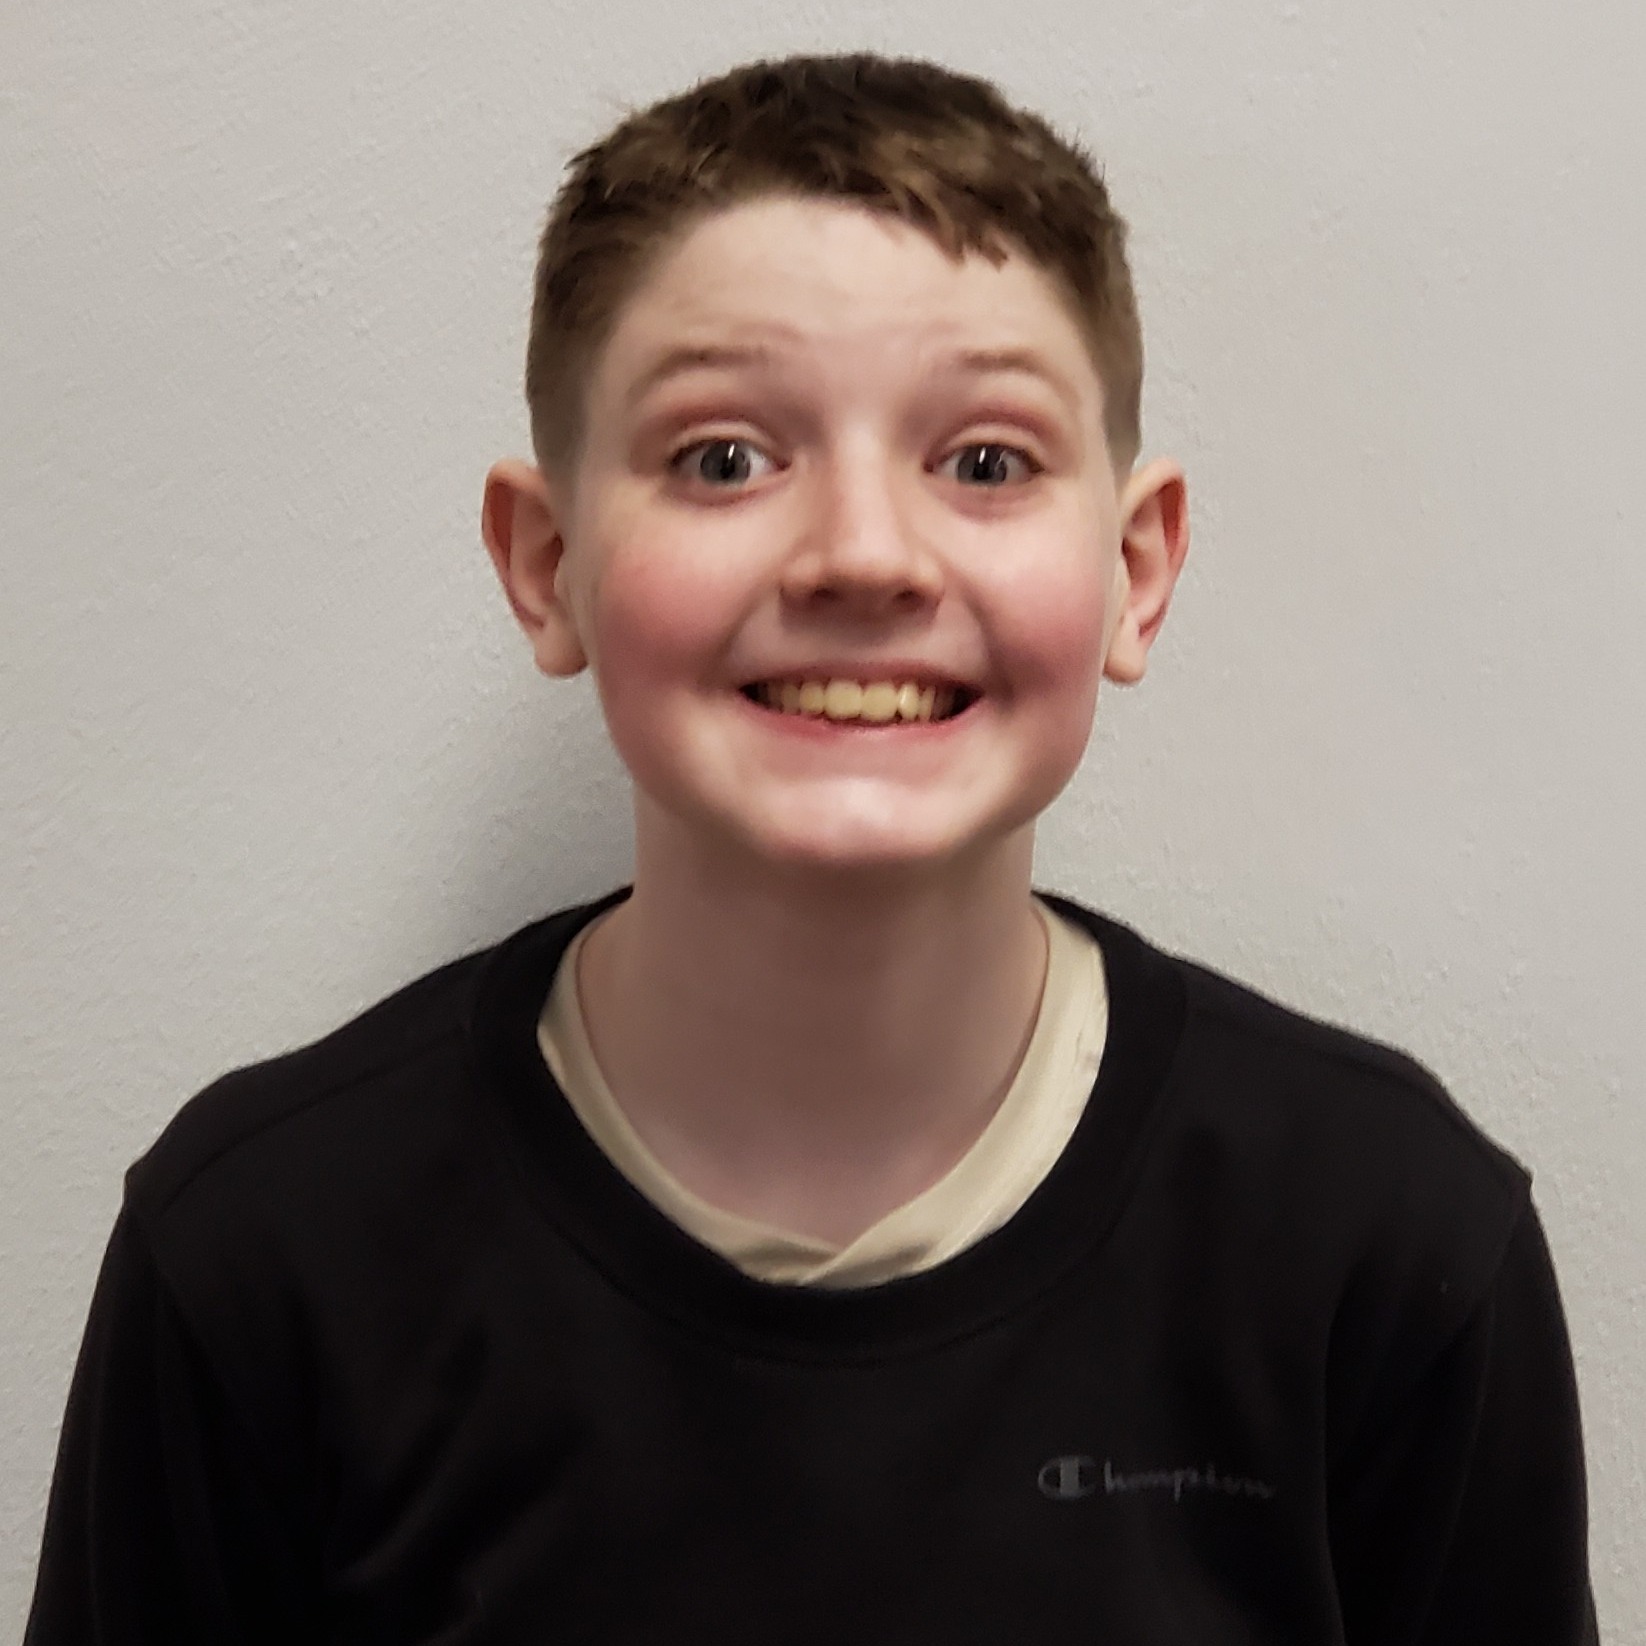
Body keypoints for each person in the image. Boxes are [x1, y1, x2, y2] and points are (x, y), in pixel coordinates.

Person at [26, 51, 1598, 1643]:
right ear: (547, 562)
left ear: (1135, 566)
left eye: (983, 461)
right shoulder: (258, 1256)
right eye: (725, 457)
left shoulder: (1391, 1250)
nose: (862, 553)